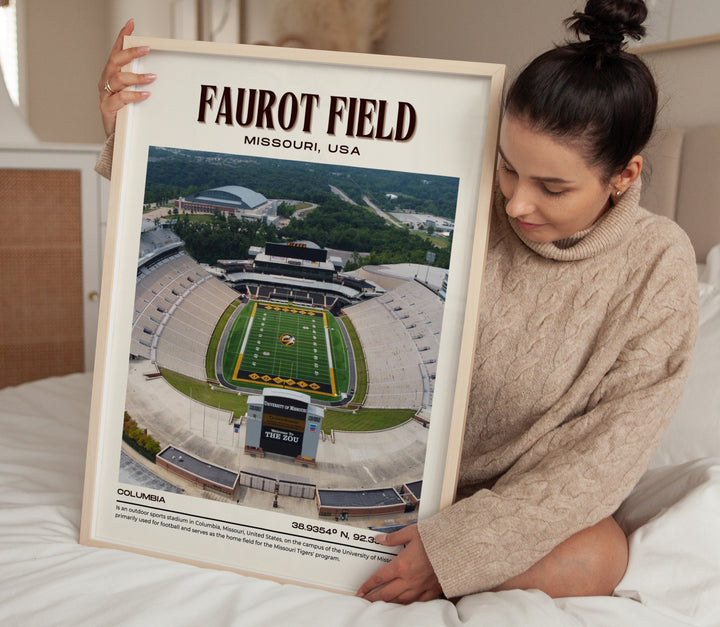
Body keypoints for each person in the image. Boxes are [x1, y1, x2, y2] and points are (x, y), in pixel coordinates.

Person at [97, 0, 698, 604]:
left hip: (511, 506)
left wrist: (460, 548)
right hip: (417, 479)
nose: (516, 203)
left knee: (599, 556)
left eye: (553, 187)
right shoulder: (470, 200)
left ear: (624, 175)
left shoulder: (656, 264)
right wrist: (134, 129)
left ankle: (394, 561)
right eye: (509, 169)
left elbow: (606, 459)